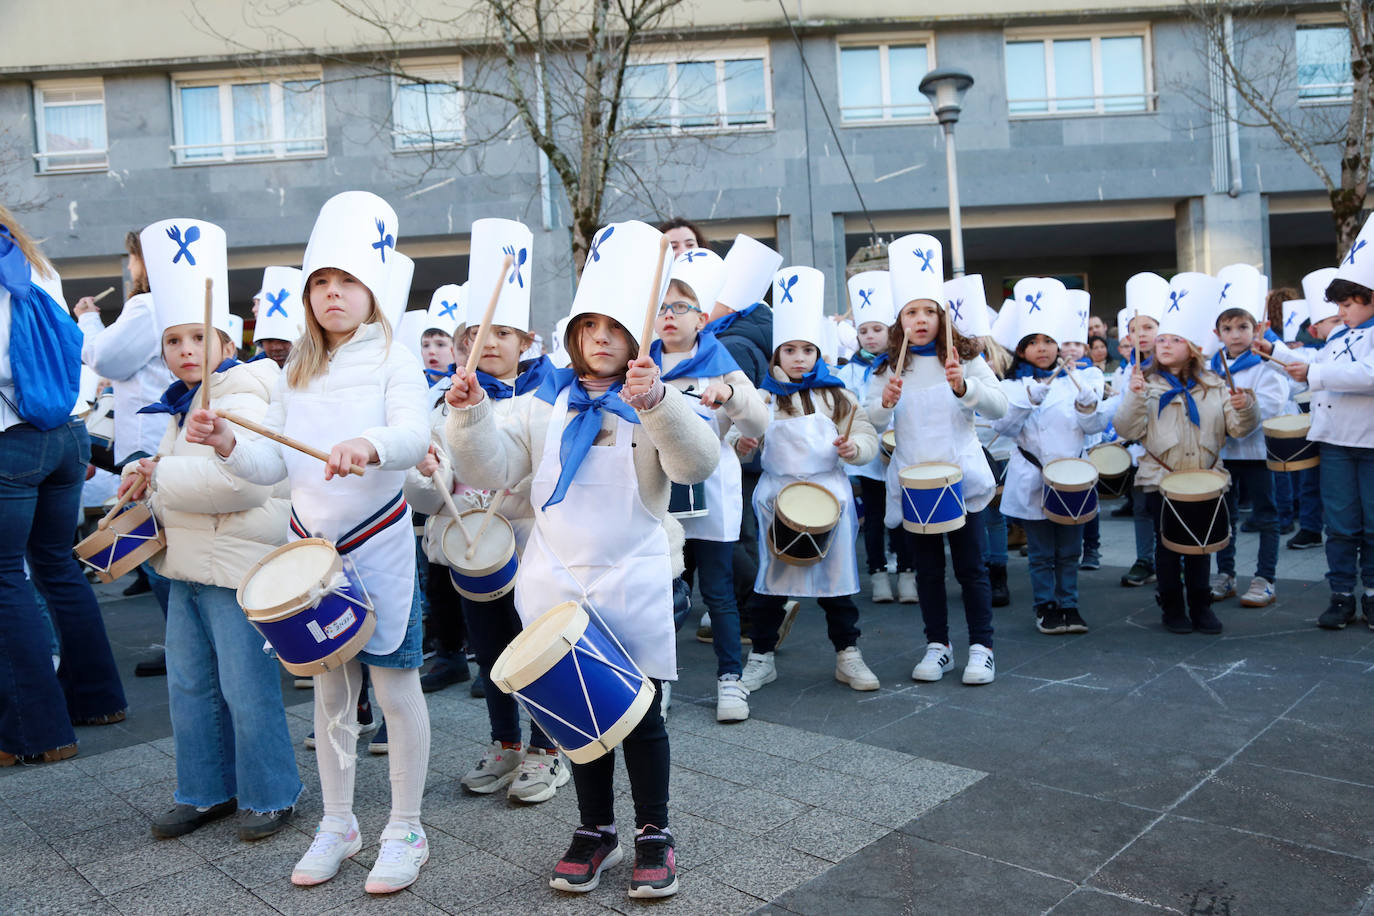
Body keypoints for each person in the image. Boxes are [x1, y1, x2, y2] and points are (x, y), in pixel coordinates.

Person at [446, 220, 719, 900]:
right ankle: (595, 828)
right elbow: (490, 470)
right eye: (588, 325)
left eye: (615, 327)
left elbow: (696, 464)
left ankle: (654, 830)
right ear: (572, 335)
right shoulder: (539, 406)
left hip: (633, 578)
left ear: (637, 336)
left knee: (641, 717)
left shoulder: (655, 397)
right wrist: (470, 415)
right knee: (574, 716)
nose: (600, 337)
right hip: (557, 582)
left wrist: (657, 404)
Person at [186, 191, 432, 894]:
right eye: (321, 281)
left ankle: (406, 828)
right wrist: (227, 442)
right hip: (310, 554)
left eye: (347, 280)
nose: (332, 293)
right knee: (329, 694)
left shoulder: (396, 359)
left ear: (371, 291)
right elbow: (273, 467)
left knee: (394, 687)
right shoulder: (293, 367)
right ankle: (339, 822)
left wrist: (369, 444)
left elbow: (412, 434)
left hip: (381, 546)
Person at [127, 219, 301, 840]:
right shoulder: (185, 399)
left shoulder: (243, 390)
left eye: (198, 337)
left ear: (227, 340)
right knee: (190, 687)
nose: (185, 349)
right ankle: (205, 790)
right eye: (173, 340)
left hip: (236, 568)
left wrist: (159, 477)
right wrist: (146, 471)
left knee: (245, 689)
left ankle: (271, 793)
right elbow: (181, 473)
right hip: (189, 565)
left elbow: (242, 483)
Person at [0, 206, 127, 766]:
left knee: (6, 578)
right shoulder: (35, 261)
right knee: (56, 565)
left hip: (10, 435)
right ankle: (97, 700)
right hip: (68, 434)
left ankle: (36, 732)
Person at [867, 235, 1008, 685]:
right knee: (928, 571)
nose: (921, 320)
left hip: (961, 477)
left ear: (941, 316)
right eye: (911, 312)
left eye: (929, 311)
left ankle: (982, 648)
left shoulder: (964, 358)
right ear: (900, 321)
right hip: (914, 480)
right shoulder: (888, 368)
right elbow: (868, 420)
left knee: (971, 568)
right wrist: (884, 403)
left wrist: (965, 387)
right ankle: (938, 646)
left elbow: (1000, 407)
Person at [736, 266, 880, 694]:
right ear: (777, 355)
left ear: (818, 353)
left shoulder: (838, 396)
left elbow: (866, 434)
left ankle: (848, 655)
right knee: (770, 586)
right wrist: (743, 444)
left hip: (829, 496)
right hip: (778, 499)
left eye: (807, 350)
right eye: (790, 350)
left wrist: (855, 450)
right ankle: (762, 657)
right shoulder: (761, 397)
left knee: (838, 587)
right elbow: (736, 436)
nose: (799, 358)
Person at [652, 248, 767, 721]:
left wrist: (733, 395)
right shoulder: (641, 363)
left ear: (702, 318)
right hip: (660, 494)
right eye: (662, 307)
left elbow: (757, 421)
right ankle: (659, 681)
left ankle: (730, 680)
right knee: (663, 592)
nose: (669, 315)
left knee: (719, 593)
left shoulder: (720, 361)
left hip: (713, 491)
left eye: (681, 306)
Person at [1116, 273, 1258, 634]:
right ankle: (1172, 606)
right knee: (1167, 548)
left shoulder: (1215, 385)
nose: (1164, 345)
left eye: (1175, 339)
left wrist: (1244, 406)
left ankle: (1201, 605)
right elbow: (1127, 430)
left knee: (1201, 547)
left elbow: (1238, 429)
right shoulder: (1145, 383)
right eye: (1162, 339)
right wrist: (1134, 396)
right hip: (1160, 480)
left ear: (1193, 347)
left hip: (1205, 479)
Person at [1259, 219, 1374, 629]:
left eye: (1347, 305)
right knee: (1339, 525)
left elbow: (1368, 374)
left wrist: (1314, 373)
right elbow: (1311, 365)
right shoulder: (1340, 338)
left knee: (1373, 524)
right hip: (1336, 443)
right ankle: (1341, 594)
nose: (1340, 314)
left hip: (1371, 444)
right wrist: (1272, 349)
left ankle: (1372, 594)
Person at [74, 229, 176, 672]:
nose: (130, 268)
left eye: (132, 259)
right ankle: (189, 646)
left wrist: (87, 320)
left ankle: (184, 647)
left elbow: (105, 358)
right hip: (167, 438)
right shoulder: (174, 303)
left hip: (147, 445)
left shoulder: (148, 305)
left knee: (155, 554)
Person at [991, 280, 1108, 635]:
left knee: (1070, 550)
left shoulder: (1080, 378)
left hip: (1073, 477)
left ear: (1059, 344)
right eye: (1032, 342)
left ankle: (1069, 604)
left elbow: (1094, 428)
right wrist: (1028, 399)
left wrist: (1088, 405)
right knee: (1041, 552)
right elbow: (1004, 427)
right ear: (1021, 349)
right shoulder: (1010, 385)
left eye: (1047, 341)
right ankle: (1045, 606)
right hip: (1034, 476)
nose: (1041, 348)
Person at [1208, 267, 1288, 608]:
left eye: (1243, 327)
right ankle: (1225, 574)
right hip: (1224, 454)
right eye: (1228, 329)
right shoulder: (1211, 366)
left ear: (1258, 329)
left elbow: (1274, 403)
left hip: (1257, 453)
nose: (1236, 335)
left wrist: (1249, 404)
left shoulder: (1267, 363)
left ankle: (1265, 578)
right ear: (1217, 333)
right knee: (1223, 517)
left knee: (1266, 515)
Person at [837, 271, 903, 603]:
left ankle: (907, 572)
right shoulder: (848, 371)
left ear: (891, 331)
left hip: (900, 451)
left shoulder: (901, 365)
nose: (870, 336)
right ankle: (877, 573)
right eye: (863, 330)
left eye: (877, 329)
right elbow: (846, 407)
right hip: (869, 454)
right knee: (874, 516)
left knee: (902, 515)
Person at [1114, 273, 1166, 588]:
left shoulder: (1172, 365)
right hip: (1139, 451)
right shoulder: (1129, 369)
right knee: (1142, 508)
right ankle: (1145, 559)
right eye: (1134, 329)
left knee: (1170, 508)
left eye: (1148, 327)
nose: (1141, 334)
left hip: (1168, 450)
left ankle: (1174, 559)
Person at [251, 266, 305, 368]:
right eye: (269, 340)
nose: (276, 347)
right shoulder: (248, 371)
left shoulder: (324, 370)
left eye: (284, 340)